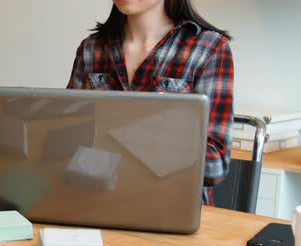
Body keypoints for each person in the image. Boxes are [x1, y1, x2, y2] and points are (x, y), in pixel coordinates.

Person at [67, 0, 233, 206]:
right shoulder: (91, 49)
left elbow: (215, 164)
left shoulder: (209, 48)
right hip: (97, 203)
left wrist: (119, 140)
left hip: (173, 208)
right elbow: (69, 142)